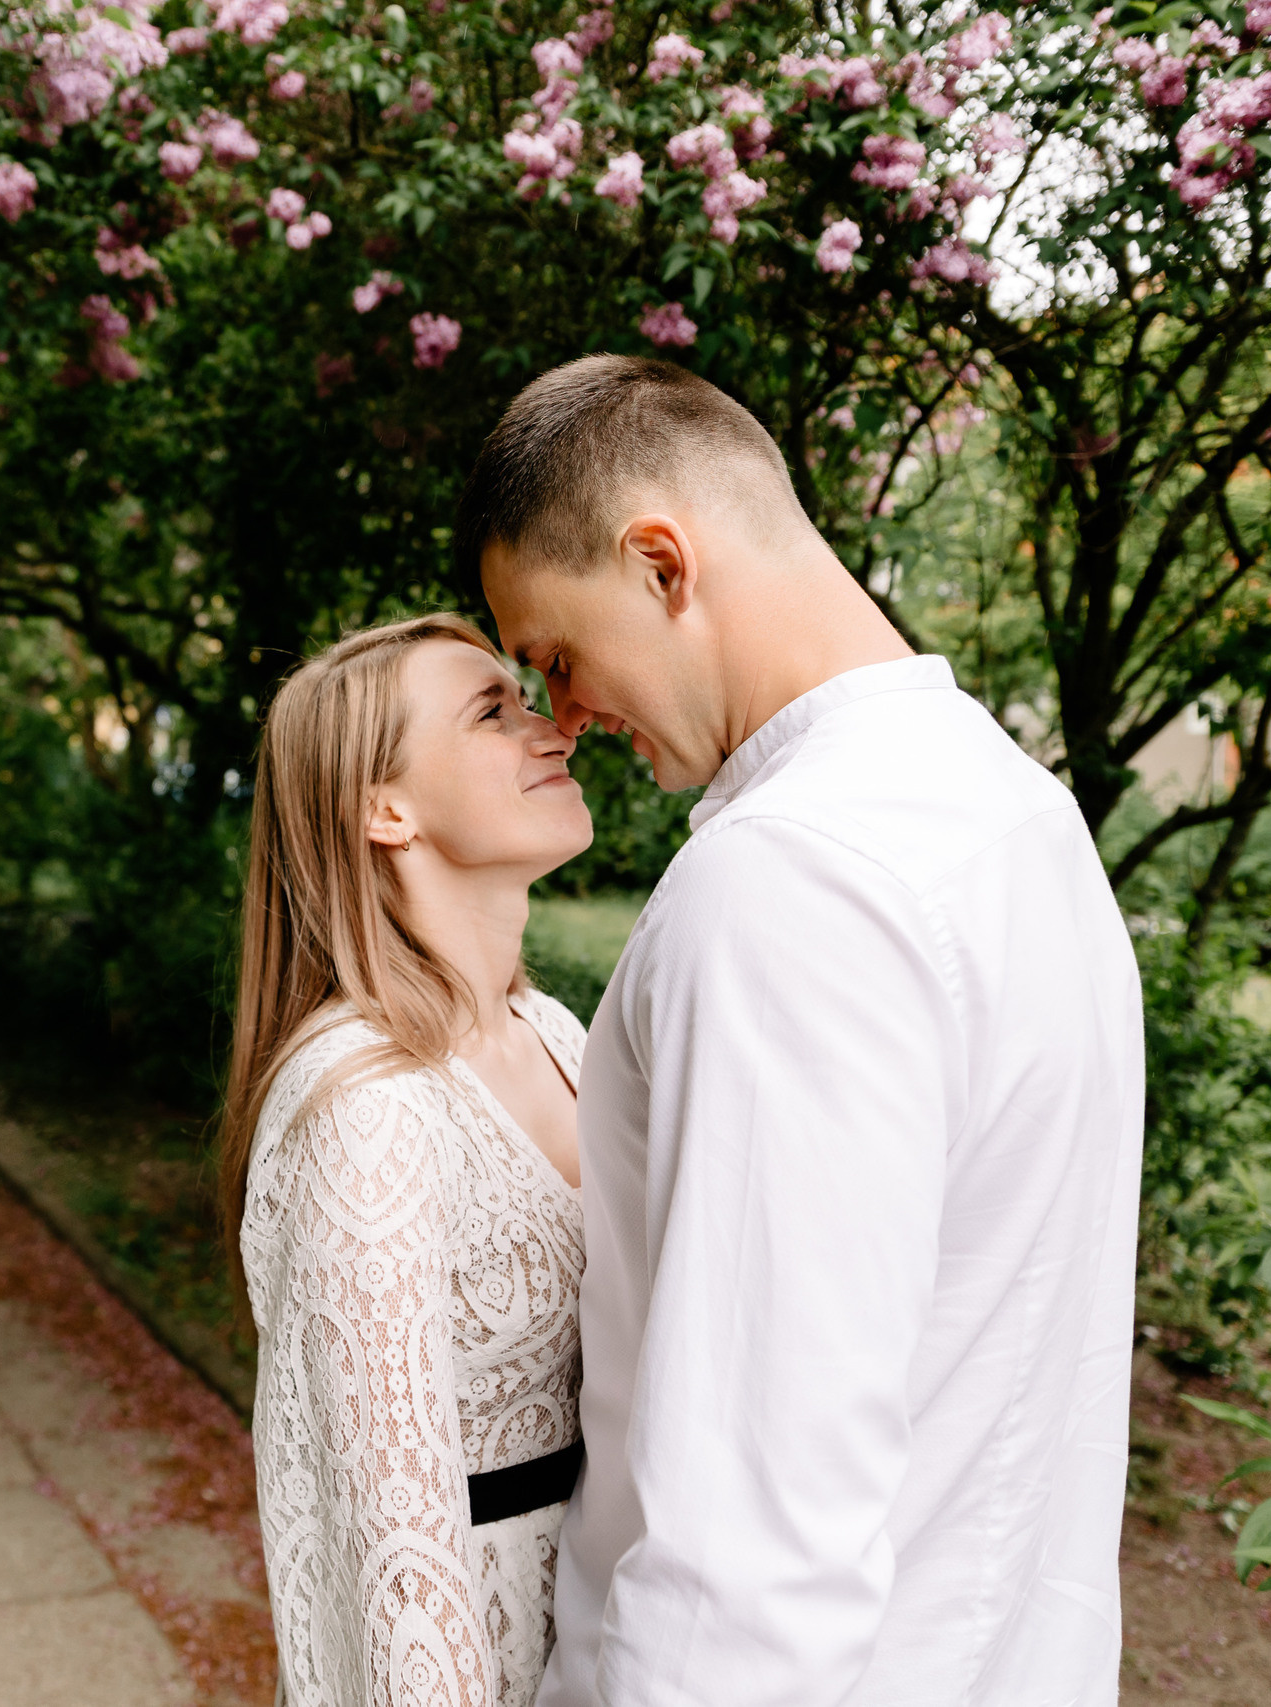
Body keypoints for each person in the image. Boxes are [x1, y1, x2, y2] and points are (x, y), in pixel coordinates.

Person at [457, 354, 1144, 1707]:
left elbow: (746, 1566)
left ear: (661, 565)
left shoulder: (785, 883)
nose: (566, 717)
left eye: (556, 657)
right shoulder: (1022, 816)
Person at [223, 612, 600, 1705]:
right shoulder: (367, 1106)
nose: (552, 730)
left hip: (608, 1631)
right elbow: (393, 1549)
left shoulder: (559, 1034)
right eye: (492, 712)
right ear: (383, 809)